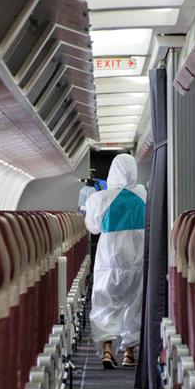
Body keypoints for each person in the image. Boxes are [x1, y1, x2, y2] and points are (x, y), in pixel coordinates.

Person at [84, 154, 147, 369]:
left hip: (109, 261)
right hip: (138, 262)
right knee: (134, 307)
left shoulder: (100, 199)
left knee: (105, 305)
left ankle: (108, 350)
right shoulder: (143, 195)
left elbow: (92, 227)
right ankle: (129, 352)